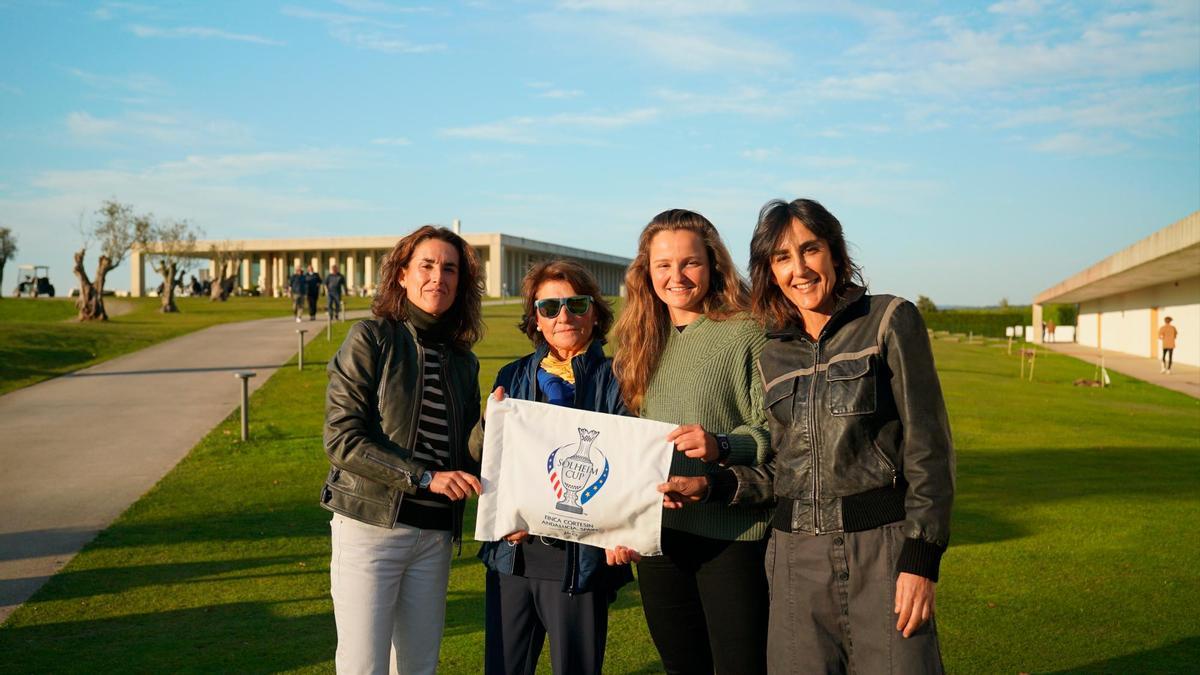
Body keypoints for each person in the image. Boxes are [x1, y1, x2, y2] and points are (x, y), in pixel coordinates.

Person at [661, 198, 956, 673]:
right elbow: (784, 468)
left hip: (879, 550)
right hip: (795, 560)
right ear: (769, 271)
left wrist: (920, 559)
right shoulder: (773, 352)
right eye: (781, 257)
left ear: (835, 254)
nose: (798, 268)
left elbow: (930, 449)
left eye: (809, 250)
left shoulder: (889, 320)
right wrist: (712, 485)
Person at [610, 209, 772, 675]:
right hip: (660, 540)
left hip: (733, 536)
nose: (676, 276)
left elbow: (779, 432)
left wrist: (722, 445)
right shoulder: (640, 340)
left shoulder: (747, 331)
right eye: (663, 264)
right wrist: (618, 523)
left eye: (690, 262)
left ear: (714, 264)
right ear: (646, 271)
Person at [320, 225, 486, 675]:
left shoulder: (462, 360)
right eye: (427, 266)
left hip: (433, 536)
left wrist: (495, 423)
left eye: (450, 269)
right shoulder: (372, 338)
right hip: (371, 525)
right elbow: (342, 438)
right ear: (402, 276)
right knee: (362, 666)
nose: (439, 277)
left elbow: (465, 458)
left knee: (418, 667)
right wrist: (425, 476)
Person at [470, 259, 632, 675]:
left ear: (595, 313)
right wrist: (488, 422)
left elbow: (627, 468)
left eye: (576, 304)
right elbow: (485, 457)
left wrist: (623, 531)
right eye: (549, 307)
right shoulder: (512, 375)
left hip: (578, 562)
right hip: (513, 554)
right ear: (535, 320)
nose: (564, 316)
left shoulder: (621, 379)